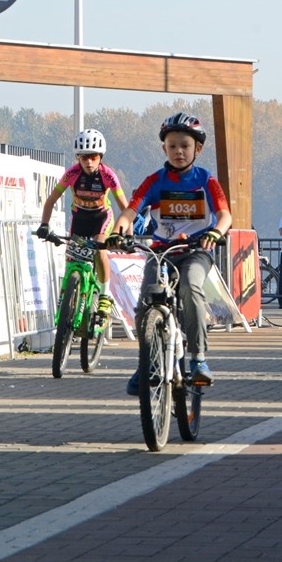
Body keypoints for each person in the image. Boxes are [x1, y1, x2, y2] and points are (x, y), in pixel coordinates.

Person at [109, 112, 232, 393]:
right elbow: (130, 211)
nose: (179, 151)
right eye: (172, 146)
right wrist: (118, 231)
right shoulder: (155, 180)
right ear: (164, 148)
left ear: (197, 149)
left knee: (190, 286)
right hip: (161, 252)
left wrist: (216, 232)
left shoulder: (206, 180)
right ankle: (147, 363)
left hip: (196, 251)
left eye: (185, 146)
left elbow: (225, 215)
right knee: (146, 301)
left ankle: (198, 359)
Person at [36, 129, 129, 322]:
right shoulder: (72, 174)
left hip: (101, 218)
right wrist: (44, 225)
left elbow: (125, 208)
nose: (89, 162)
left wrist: (127, 235)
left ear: (100, 157)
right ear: (78, 157)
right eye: (84, 157)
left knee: (100, 249)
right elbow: (50, 201)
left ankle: (104, 296)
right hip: (80, 218)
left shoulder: (108, 175)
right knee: (71, 259)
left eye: (93, 157)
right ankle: (68, 299)